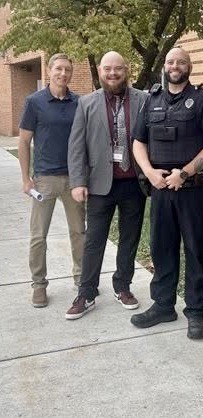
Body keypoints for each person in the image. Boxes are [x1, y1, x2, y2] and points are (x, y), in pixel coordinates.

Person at [131, 47, 203, 339]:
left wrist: (182, 174)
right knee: (162, 247)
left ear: (189, 66)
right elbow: (138, 142)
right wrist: (149, 172)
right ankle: (163, 305)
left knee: (195, 250)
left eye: (181, 62)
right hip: (160, 189)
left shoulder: (202, 100)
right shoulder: (151, 100)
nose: (175, 66)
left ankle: (196, 311)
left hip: (192, 191)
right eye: (171, 61)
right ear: (166, 65)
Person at [65, 51, 147, 320]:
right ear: (100, 71)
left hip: (134, 183)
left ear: (127, 70)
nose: (113, 74)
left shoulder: (143, 100)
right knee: (94, 241)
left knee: (129, 238)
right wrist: (77, 181)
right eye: (108, 69)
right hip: (100, 184)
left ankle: (122, 286)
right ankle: (86, 292)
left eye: (118, 69)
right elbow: (76, 146)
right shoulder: (86, 103)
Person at [18, 53, 85, 308]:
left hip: (74, 179)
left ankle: (82, 281)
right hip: (44, 179)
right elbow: (24, 142)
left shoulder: (78, 102)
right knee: (38, 236)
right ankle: (39, 285)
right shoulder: (34, 102)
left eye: (67, 69)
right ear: (49, 70)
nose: (63, 74)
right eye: (58, 69)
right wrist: (26, 179)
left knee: (79, 232)